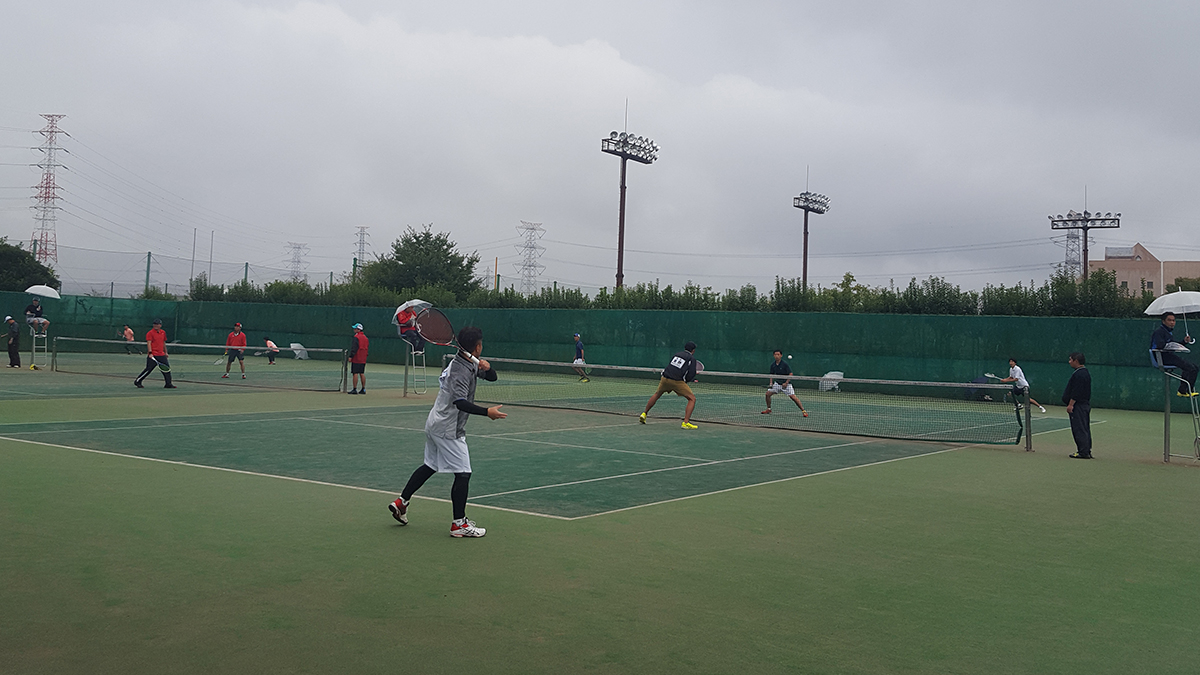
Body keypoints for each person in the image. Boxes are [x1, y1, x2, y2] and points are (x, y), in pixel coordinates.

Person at [388, 326, 504, 537]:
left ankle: (401, 502)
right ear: (477, 346)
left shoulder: (468, 362)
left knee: (430, 465)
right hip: (448, 428)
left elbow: (493, 377)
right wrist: (487, 412)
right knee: (463, 473)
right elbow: (460, 402)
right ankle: (459, 524)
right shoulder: (460, 370)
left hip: (435, 422)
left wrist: (487, 368)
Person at [640, 341, 700, 429]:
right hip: (676, 381)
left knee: (657, 394)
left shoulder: (677, 354)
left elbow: (674, 367)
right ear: (693, 351)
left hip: (665, 377)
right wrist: (690, 380)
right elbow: (691, 373)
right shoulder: (691, 358)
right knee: (692, 399)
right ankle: (685, 422)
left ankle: (644, 414)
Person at [1150, 312, 1198, 397]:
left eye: (1173, 320)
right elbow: (1160, 345)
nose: (1172, 322)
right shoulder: (1159, 332)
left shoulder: (1168, 332)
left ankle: (1185, 390)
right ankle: (1184, 391)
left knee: (1195, 368)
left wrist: (1184, 342)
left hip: (1169, 356)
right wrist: (1169, 346)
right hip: (1162, 358)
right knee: (1190, 368)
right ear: (1163, 321)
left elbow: (1173, 344)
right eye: (1169, 320)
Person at [1062, 352, 1092, 459]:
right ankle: (1086, 450)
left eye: (1070, 360)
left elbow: (1076, 391)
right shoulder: (1083, 372)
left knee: (1079, 429)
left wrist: (1071, 405)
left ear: (1076, 361)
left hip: (1078, 406)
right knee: (1084, 428)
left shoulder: (1079, 374)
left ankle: (1083, 452)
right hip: (1083, 406)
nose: (1069, 362)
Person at [761, 350, 807, 417]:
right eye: (775, 354)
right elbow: (771, 374)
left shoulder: (785, 364)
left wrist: (786, 383)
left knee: (793, 397)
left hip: (786, 385)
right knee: (767, 394)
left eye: (778, 354)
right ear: (773, 355)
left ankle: (803, 411)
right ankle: (768, 409)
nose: (777, 356)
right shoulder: (773, 365)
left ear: (781, 355)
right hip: (777, 384)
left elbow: (790, 374)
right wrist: (771, 383)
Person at [134, 319, 175, 389]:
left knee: (167, 369)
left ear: (160, 325)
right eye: (154, 324)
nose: (155, 325)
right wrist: (150, 353)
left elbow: (163, 343)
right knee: (148, 369)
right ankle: (138, 381)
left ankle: (168, 384)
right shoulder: (150, 333)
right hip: (153, 355)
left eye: (157, 324)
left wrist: (165, 352)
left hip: (161, 355)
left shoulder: (163, 332)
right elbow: (149, 343)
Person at [348, 323, 369, 394]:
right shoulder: (366, 338)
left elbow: (354, 348)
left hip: (357, 358)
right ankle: (363, 389)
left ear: (358, 330)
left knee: (355, 373)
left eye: (355, 328)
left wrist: (351, 356)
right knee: (361, 373)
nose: (354, 330)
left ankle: (354, 389)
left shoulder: (356, 337)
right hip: (363, 358)